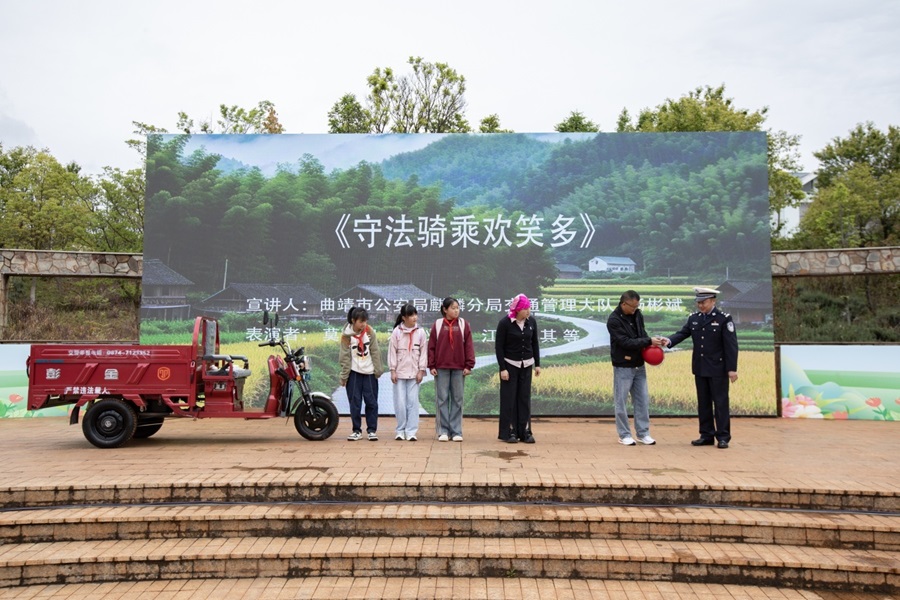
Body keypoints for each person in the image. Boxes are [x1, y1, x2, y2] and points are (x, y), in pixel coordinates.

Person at [661, 287, 739, 449]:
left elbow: (731, 345)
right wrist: (669, 341)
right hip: (700, 367)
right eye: (699, 302)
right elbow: (682, 333)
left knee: (720, 403)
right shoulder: (694, 318)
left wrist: (732, 369)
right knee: (703, 403)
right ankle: (706, 435)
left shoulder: (724, 319)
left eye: (704, 302)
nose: (701, 305)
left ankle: (723, 437)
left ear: (713, 301)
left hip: (718, 368)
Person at [606, 290, 665, 446]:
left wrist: (654, 342)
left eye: (637, 306)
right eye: (632, 307)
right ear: (623, 304)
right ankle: (624, 434)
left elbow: (642, 334)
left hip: (639, 365)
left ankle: (643, 433)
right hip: (623, 366)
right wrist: (648, 341)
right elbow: (625, 342)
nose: (634, 309)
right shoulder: (614, 320)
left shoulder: (638, 315)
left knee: (642, 400)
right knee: (621, 402)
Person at [427, 297, 475, 442]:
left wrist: (469, 365)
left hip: (459, 368)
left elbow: (469, 346)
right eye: (453, 308)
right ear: (445, 309)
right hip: (441, 367)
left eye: (457, 308)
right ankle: (443, 431)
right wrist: (432, 365)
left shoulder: (463, 324)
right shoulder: (438, 324)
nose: (456, 310)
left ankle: (456, 431)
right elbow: (431, 346)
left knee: (457, 399)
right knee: (442, 399)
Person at [495, 294, 540, 444]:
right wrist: (502, 368)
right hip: (510, 366)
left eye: (529, 308)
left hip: (526, 365)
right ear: (518, 309)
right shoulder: (505, 323)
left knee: (524, 398)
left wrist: (537, 364)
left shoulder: (531, 322)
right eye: (526, 308)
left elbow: (535, 343)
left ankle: (524, 431)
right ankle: (510, 431)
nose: (528, 311)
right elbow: (499, 347)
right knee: (509, 399)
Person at [339, 306, 384, 442]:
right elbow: (344, 357)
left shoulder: (369, 332)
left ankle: (371, 430)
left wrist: (378, 370)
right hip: (354, 373)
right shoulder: (346, 336)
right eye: (361, 321)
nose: (364, 324)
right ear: (353, 321)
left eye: (365, 321)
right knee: (355, 402)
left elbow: (375, 351)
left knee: (371, 402)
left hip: (369, 373)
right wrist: (344, 376)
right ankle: (356, 430)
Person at [388, 304, 427, 442]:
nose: (414, 317)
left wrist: (421, 370)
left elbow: (423, 353)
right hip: (399, 373)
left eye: (415, 314)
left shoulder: (421, 332)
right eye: (411, 315)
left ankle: (411, 431)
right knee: (400, 403)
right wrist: (392, 370)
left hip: (414, 373)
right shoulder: (396, 332)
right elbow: (392, 352)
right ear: (404, 317)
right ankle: (400, 430)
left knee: (413, 403)